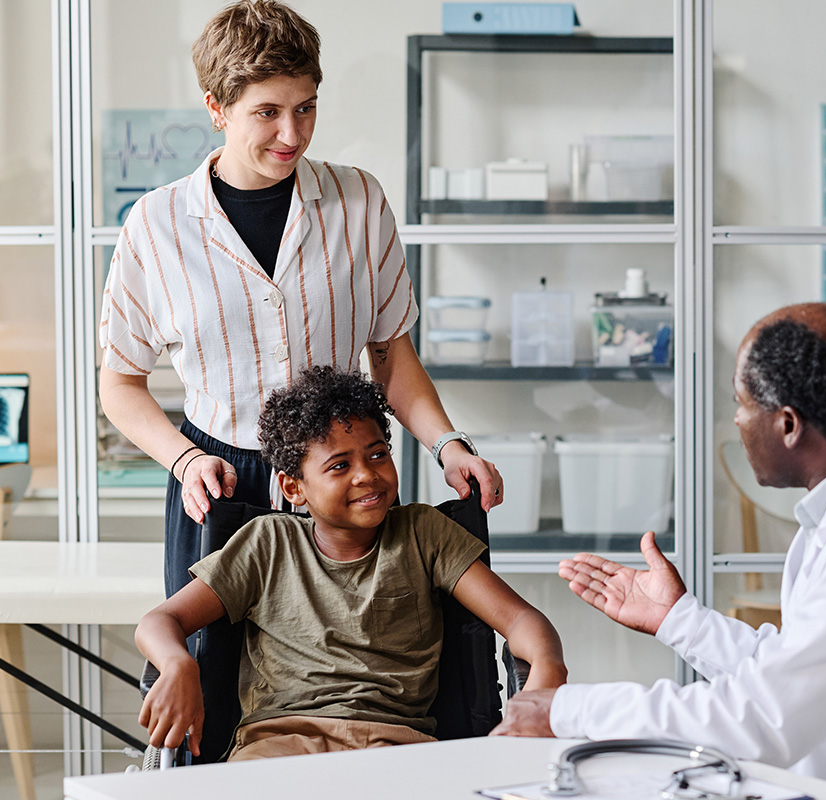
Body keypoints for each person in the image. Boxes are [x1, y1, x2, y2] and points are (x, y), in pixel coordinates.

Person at [97, 1, 500, 762]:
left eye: (307, 108)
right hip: (218, 479)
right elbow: (120, 384)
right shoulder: (155, 226)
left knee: (352, 678)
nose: (293, 134)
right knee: (206, 710)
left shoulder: (358, 202)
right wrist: (183, 460)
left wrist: (446, 443)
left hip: (340, 478)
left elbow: (390, 354)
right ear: (215, 108)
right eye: (268, 113)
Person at [494, 302, 826, 800]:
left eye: (741, 403)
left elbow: (761, 719)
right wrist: (679, 621)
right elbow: (794, 673)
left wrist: (568, 709)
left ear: (789, 424)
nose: (735, 420)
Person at [136, 366, 566, 761]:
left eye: (377, 454)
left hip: (396, 748)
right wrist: (179, 664)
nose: (366, 474)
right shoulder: (267, 543)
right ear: (294, 487)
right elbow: (159, 621)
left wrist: (545, 678)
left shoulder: (425, 534)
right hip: (279, 747)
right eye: (340, 465)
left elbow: (524, 621)